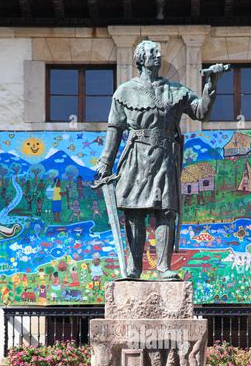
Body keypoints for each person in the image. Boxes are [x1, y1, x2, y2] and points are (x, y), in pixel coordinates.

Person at [95, 39, 226, 280]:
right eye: (152, 52)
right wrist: (105, 163)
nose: (158, 55)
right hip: (135, 157)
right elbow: (114, 130)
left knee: (166, 212)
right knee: (134, 212)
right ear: (141, 59)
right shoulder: (124, 92)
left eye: (159, 52)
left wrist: (211, 85)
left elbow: (200, 112)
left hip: (165, 157)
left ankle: (164, 267)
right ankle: (134, 269)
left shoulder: (174, 90)